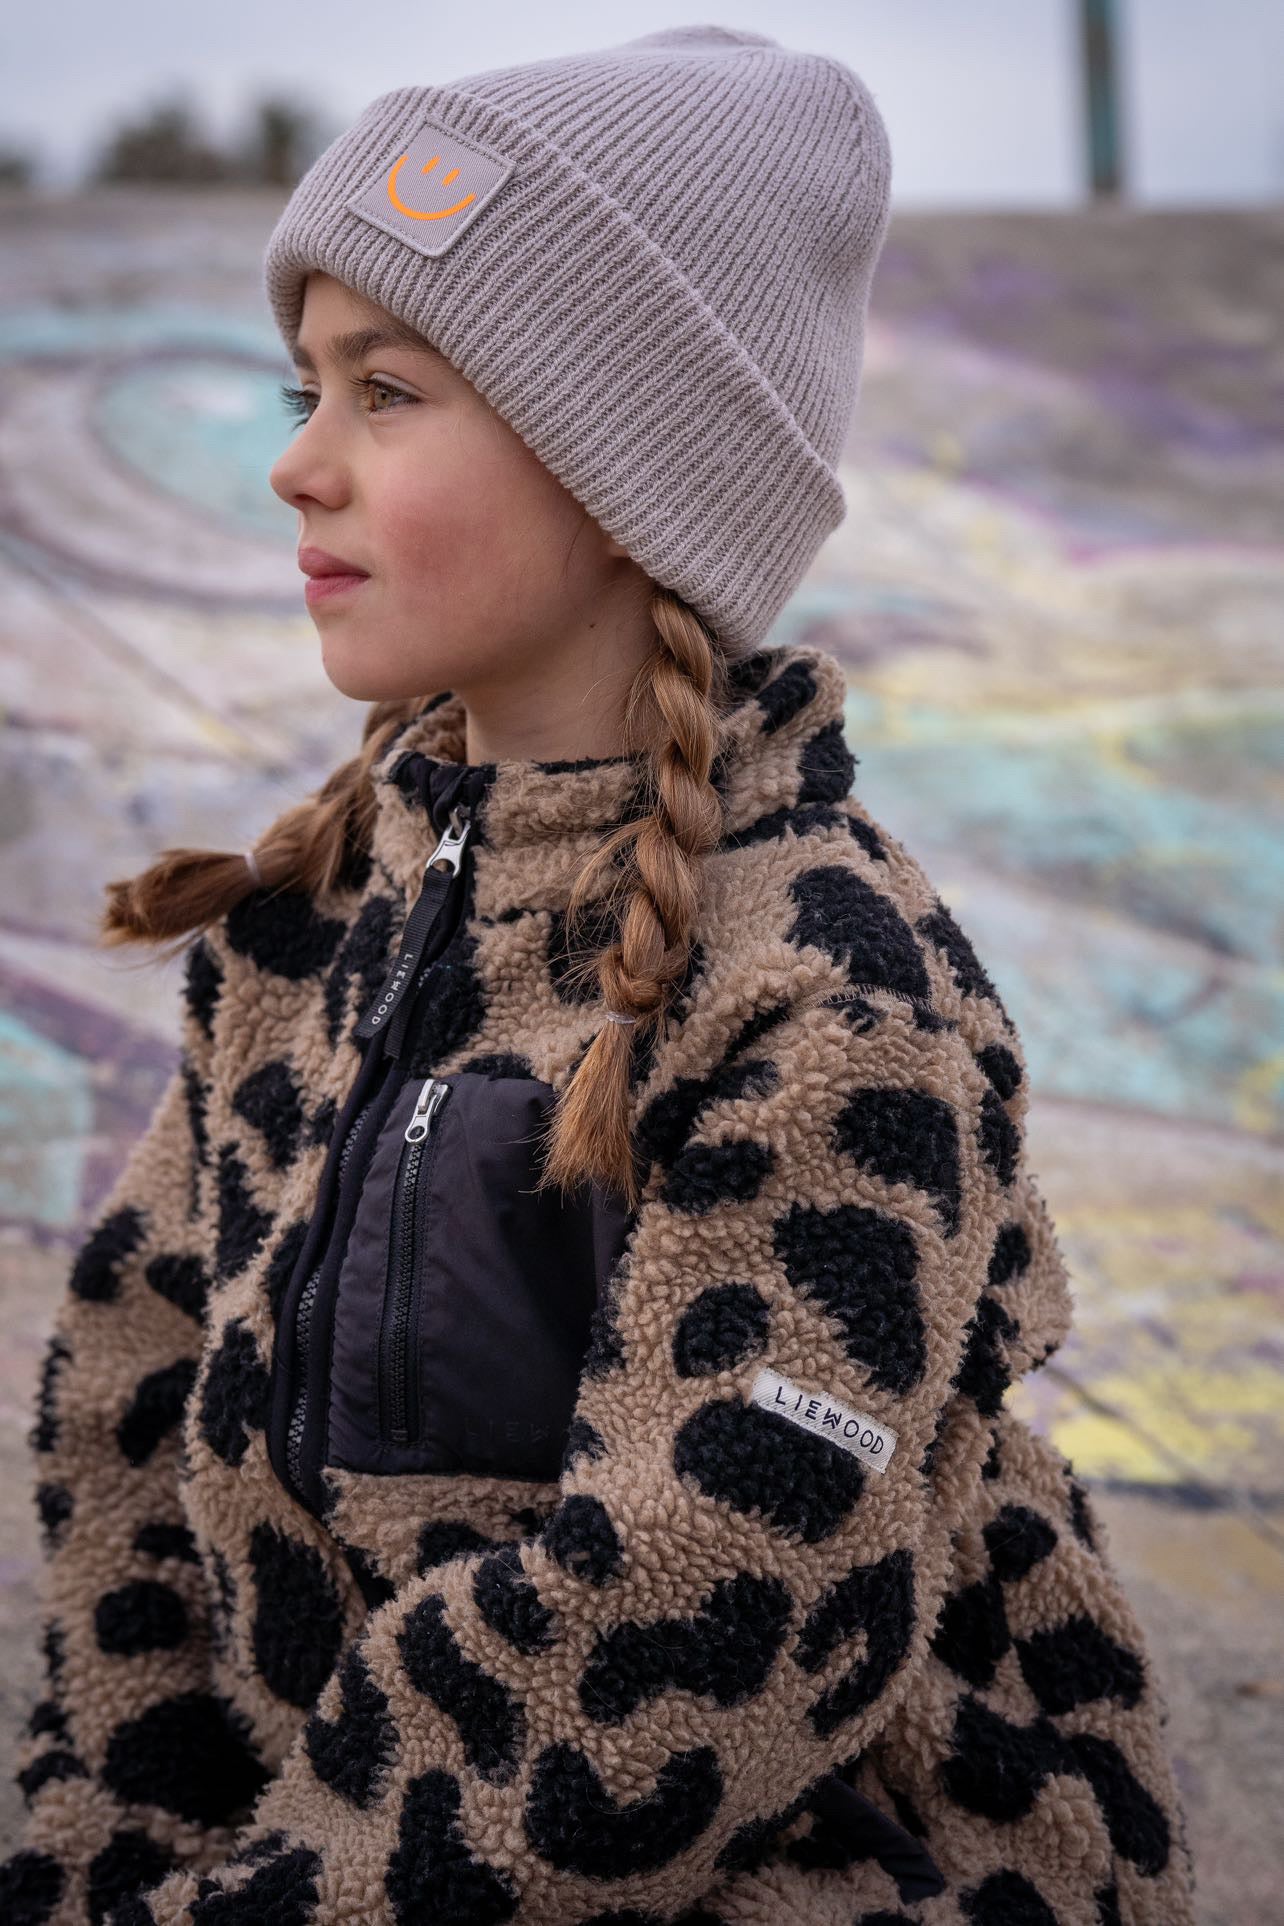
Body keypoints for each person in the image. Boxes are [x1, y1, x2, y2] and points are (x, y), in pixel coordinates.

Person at [1, 25, 1196, 1926]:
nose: (297, 465)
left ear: (627, 470)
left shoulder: (831, 1001)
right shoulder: (320, 918)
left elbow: (684, 1638)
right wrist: (114, 1839)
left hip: (817, 1864)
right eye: (307, 386)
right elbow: (130, 1405)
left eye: (388, 392)